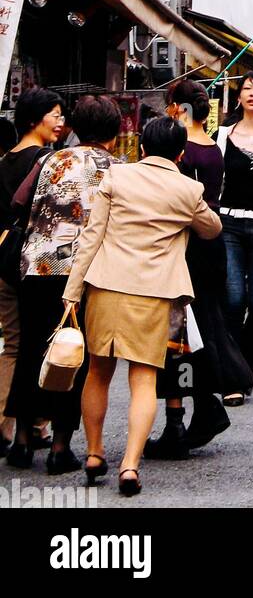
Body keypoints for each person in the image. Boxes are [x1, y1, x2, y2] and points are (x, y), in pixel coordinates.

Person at [64, 116, 222, 495]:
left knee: (98, 372)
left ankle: (95, 452)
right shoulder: (188, 188)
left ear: (141, 147)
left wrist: (72, 291)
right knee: (144, 379)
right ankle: (131, 464)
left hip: (105, 284)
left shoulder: (117, 178)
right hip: (154, 292)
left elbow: (91, 237)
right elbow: (212, 228)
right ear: (182, 154)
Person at [6, 96, 119, 474]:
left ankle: (21, 440)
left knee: (32, 349)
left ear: (75, 127)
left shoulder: (48, 159)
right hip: (84, 272)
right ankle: (59, 446)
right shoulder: (116, 169)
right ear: (114, 133)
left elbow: (19, 204)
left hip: (37, 265)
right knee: (74, 356)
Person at [145, 80, 253, 459]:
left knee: (179, 335)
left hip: (185, 247)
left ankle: (188, 415)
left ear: (179, 108)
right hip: (211, 245)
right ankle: (203, 405)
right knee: (200, 328)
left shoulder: (181, 150)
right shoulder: (212, 147)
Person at [0, 89, 64, 459]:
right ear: (33, 118)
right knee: (37, 344)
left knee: (12, 343)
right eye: (54, 115)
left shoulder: (4, 160)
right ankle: (36, 424)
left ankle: (7, 426)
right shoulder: (47, 162)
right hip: (35, 265)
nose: (60, 122)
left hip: (3, 262)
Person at [217, 72, 253, 394]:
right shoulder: (223, 136)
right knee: (233, 299)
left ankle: (244, 369)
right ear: (238, 96)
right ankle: (231, 378)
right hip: (228, 225)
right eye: (247, 88)